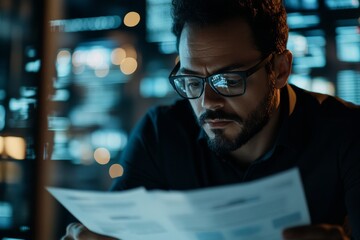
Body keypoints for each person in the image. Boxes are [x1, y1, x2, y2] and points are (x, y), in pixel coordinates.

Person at [62, 0, 360, 239]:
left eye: (228, 80)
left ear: (280, 70)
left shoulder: (348, 133)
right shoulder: (161, 134)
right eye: (192, 81)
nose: (208, 102)